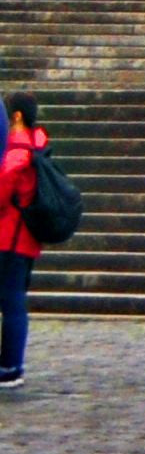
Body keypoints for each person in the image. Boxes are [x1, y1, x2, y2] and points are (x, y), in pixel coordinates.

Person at [1, 92, 46, 389]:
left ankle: (10, 366)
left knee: (12, 300)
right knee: (14, 298)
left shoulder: (19, 150)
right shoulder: (38, 143)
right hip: (26, 237)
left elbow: (2, 192)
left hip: (11, 237)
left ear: (16, 117)